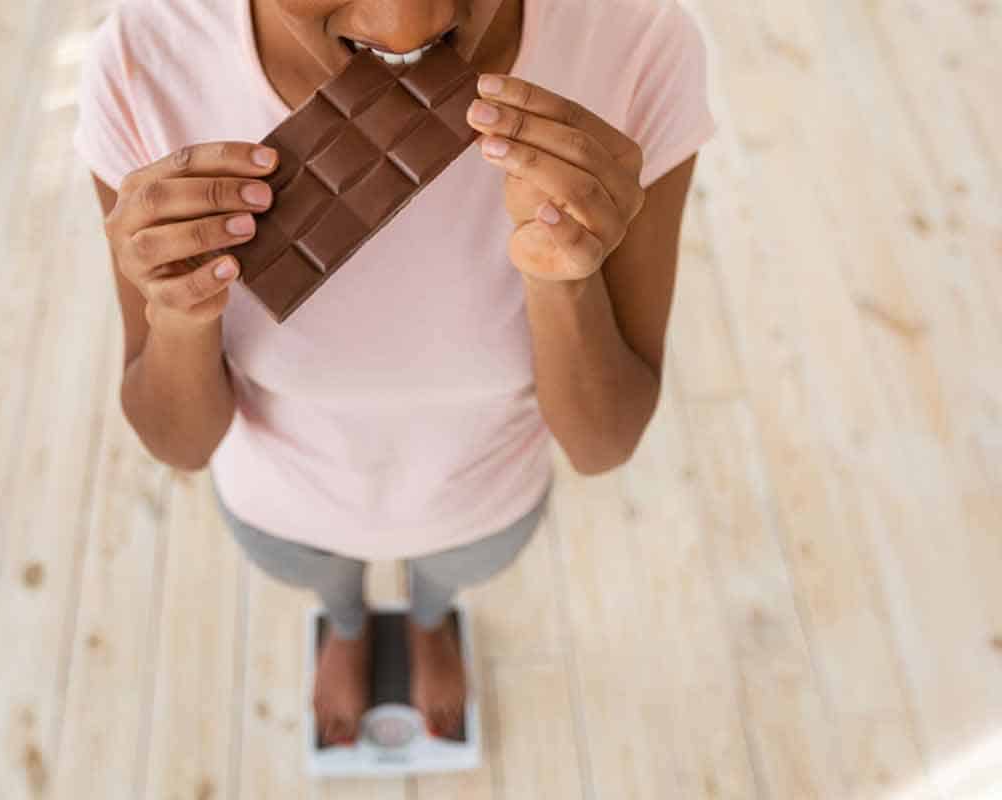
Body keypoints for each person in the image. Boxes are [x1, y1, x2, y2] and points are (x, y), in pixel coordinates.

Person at [74, 0, 715, 749]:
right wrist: (180, 315)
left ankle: (430, 618)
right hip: (286, 512)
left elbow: (604, 443)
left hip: (481, 509)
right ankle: (345, 627)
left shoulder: (637, 46)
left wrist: (564, 277)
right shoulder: (143, 66)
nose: (408, 25)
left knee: (443, 584)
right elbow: (179, 443)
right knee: (331, 589)